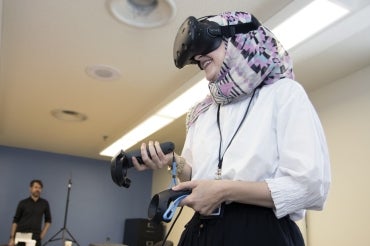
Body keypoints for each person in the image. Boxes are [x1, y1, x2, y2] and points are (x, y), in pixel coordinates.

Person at [133, 11, 331, 246]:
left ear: (238, 41)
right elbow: (198, 175)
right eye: (195, 57)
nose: (198, 58)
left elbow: (310, 187)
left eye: (206, 47)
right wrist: (173, 161)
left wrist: (224, 191)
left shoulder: (283, 93)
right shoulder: (202, 111)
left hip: (260, 233)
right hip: (201, 232)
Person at [8, 179, 52, 246]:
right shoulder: (22, 203)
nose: (38, 189)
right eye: (36, 187)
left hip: (35, 238)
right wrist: (12, 238)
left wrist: (41, 236)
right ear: (30, 188)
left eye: (40, 188)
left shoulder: (45, 203)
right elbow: (15, 221)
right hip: (20, 236)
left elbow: (48, 221)